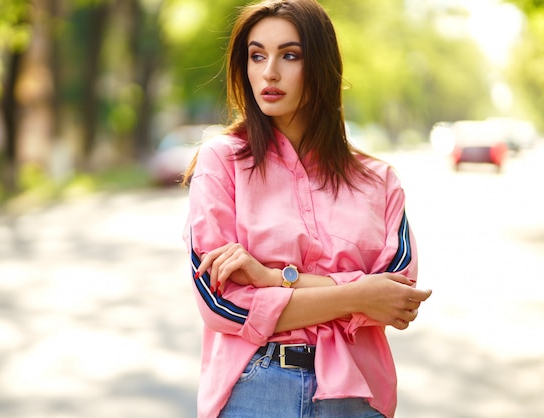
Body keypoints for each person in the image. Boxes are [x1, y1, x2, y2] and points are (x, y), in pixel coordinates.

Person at [182, 0, 432, 417]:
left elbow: (398, 295)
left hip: (358, 393)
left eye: (290, 55)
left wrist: (270, 279)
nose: (269, 72)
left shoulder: (378, 180)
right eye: (257, 55)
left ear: (321, 66)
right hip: (256, 388)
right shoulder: (221, 162)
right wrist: (360, 293)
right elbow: (220, 303)